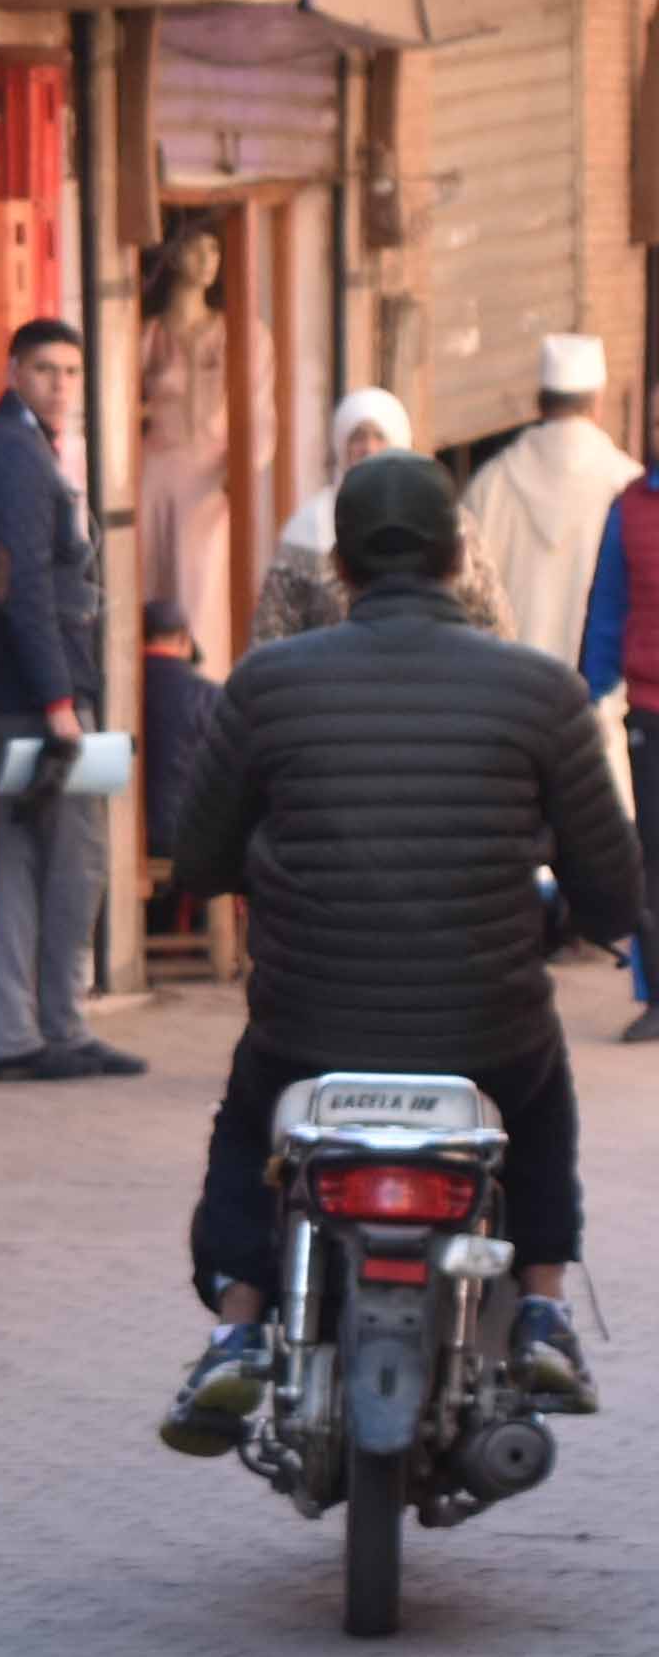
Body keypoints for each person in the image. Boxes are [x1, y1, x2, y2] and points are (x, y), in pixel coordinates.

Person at [155, 453, 641, 1450]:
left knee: (251, 1126)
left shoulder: (268, 685)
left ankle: (240, 1331)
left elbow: (197, 855)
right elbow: (617, 890)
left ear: (338, 563)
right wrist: (584, 915)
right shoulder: (541, 692)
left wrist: (270, 867)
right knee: (541, 1099)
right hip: (488, 1032)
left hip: (308, 1028)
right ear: (462, 556)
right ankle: (543, 1303)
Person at [0, 313, 137, 1081]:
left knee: (31, 853)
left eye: (70, 372)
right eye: (44, 371)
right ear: (14, 374)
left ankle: (22, 1034)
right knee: (78, 853)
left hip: (29, 686)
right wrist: (61, 703)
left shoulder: (20, 448)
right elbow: (21, 587)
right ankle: (53, 1028)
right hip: (42, 693)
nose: (60, 386)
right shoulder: (16, 457)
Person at [463, 334, 641, 668]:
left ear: (539, 403)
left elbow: (463, 597)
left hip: (511, 695)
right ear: (597, 404)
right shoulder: (628, 484)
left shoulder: (491, 483)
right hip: (597, 705)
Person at [253, 387, 441, 648]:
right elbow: (271, 630)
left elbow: (484, 614)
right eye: (358, 437)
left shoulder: (436, 516)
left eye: (379, 436)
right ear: (342, 445)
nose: (368, 447)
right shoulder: (308, 527)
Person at [580, 451, 659, 1044]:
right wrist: (586, 694)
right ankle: (657, 994)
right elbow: (609, 608)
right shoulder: (631, 508)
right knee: (653, 856)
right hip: (650, 712)